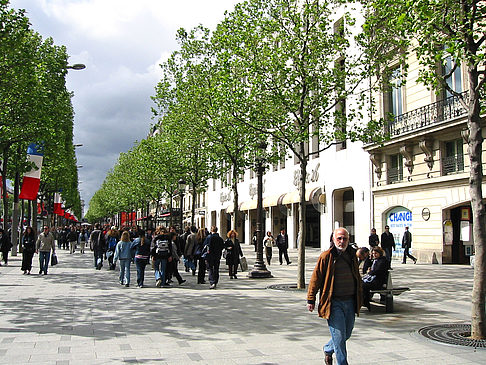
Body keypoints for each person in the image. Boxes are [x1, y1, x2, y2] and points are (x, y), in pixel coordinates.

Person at [307, 227, 362, 365]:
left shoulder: (352, 256)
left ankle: (328, 348)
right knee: (339, 337)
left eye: (345, 239)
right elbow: (316, 278)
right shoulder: (326, 256)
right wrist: (311, 298)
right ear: (333, 239)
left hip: (350, 301)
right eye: (339, 238)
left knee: (346, 334)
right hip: (333, 302)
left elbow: (357, 276)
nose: (342, 241)